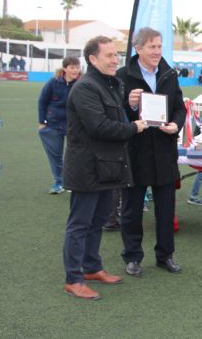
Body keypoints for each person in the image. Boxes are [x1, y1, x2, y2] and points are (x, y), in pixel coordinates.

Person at [62, 35, 149, 300]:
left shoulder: (112, 84)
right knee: (80, 224)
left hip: (107, 167)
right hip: (87, 167)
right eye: (109, 56)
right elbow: (99, 126)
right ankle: (73, 279)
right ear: (93, 59)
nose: (115, 60)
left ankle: (92, 268)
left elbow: (115, 114)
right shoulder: (85, 87)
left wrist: (130, 106)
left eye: (116, 55)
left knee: (98, 221)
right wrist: (133, 127)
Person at [117, 27, 187, 276]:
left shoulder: (169, 73)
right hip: (135, 152)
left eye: (159, 46)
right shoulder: (123, 75)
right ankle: (133, 256)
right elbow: (114, 115)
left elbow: (180, 108)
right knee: (132, 210)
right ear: (138, 49)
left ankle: (165, 256)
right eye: (152, 46)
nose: (157, 51)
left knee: (166, 210)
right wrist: (129, 104)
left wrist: (176, 125)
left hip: (165, 152)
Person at [38, 56, 81, 194]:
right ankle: (59, 182)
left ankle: (72, 182)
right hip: (53, 124)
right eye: (72, 67)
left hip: (74, 125)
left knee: (75, 155)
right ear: (65, 68)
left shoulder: (82, 84)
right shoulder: (53, 82)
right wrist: (42, 122)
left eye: (77, 67)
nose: (75, 70)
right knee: (55, 155)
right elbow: (42, 102)